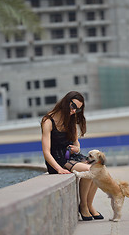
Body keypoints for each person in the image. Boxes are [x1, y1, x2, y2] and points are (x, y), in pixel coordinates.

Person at [41, 91, 104, 221]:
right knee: (89, 170)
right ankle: (84, 206)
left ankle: (89, 205)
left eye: (78, 109)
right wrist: (58, 169)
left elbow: (76, 143)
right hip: (57, 160)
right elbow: (46, 152)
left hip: (71, 156)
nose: (74, 111)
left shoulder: (71, 119)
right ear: (65, 102)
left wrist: (77, 148)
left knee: (99, 169)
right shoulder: (48, 121)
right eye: (73, 106)